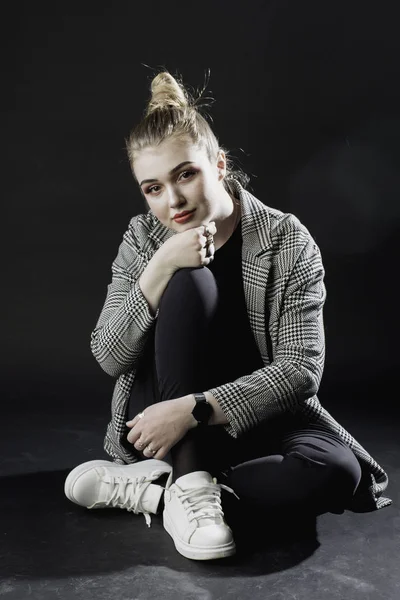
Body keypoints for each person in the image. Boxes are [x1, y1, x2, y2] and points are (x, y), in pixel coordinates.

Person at [64, 69, 391, 561]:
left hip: (243, 416)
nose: (171, 201)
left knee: (338, 471)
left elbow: (301, 369)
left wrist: (194, 408)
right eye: (152, 188)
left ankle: (161, 494)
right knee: (191, 278)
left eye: (185, 175)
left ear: (218, 165)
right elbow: (109, 356)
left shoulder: (285, 239)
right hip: (158, 414)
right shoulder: (142, 238)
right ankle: (192, 483)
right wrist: (163, 263)